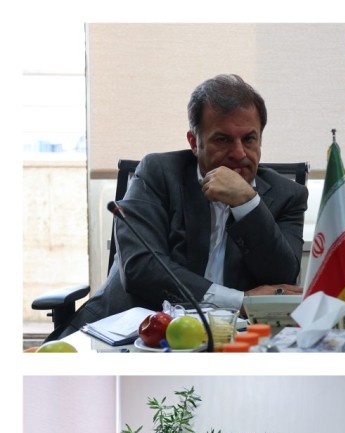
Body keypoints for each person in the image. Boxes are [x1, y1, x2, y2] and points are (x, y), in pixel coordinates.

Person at [59, 73, 308, 338]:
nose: (239, 153)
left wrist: (247, 204)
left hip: (231, 339)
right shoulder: (159, 173)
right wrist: (239, 301)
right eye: (222, 139)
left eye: (249, 139)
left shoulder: (288, 195)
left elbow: (282, 276)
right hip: (133, 332)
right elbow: (140, 267)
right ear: (194, 143)